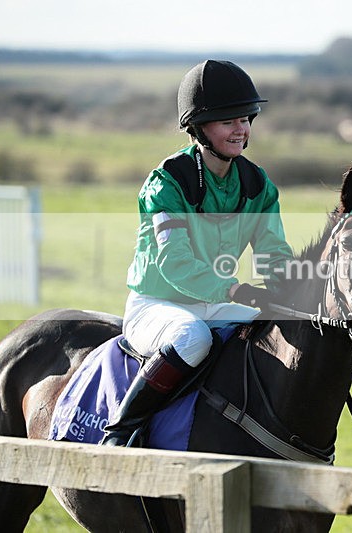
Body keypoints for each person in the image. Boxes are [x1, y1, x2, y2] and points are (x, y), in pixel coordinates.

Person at [101, 60, 293, 446]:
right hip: (157, 304)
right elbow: (175, 264)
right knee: (193, 338)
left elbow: (274, 253)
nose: (240, 129)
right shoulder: (166, 183)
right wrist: (236, 290)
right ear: (199, 128)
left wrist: (298, 291)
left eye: (246, 119)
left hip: (214, 302)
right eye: (228, 121)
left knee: (277, 333)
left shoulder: (258, 185)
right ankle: (120, 433)